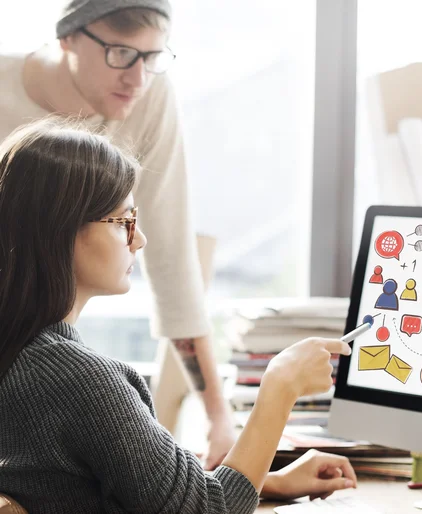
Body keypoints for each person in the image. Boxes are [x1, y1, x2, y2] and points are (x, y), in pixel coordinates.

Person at [0, 118, 357, 513]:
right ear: (61, 231)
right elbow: (208, 510)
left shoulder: (23, 357)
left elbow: (99, 488)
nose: (140, 239)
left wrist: (266, 482)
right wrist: (280, 387)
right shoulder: (78, 380)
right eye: (124, 222)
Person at [0, 0, 236, 468]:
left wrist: (218, 417)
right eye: (121, 54)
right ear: (67, 37)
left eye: (153, 58)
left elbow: (170, 258)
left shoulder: (150, 95)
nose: (138, 78)